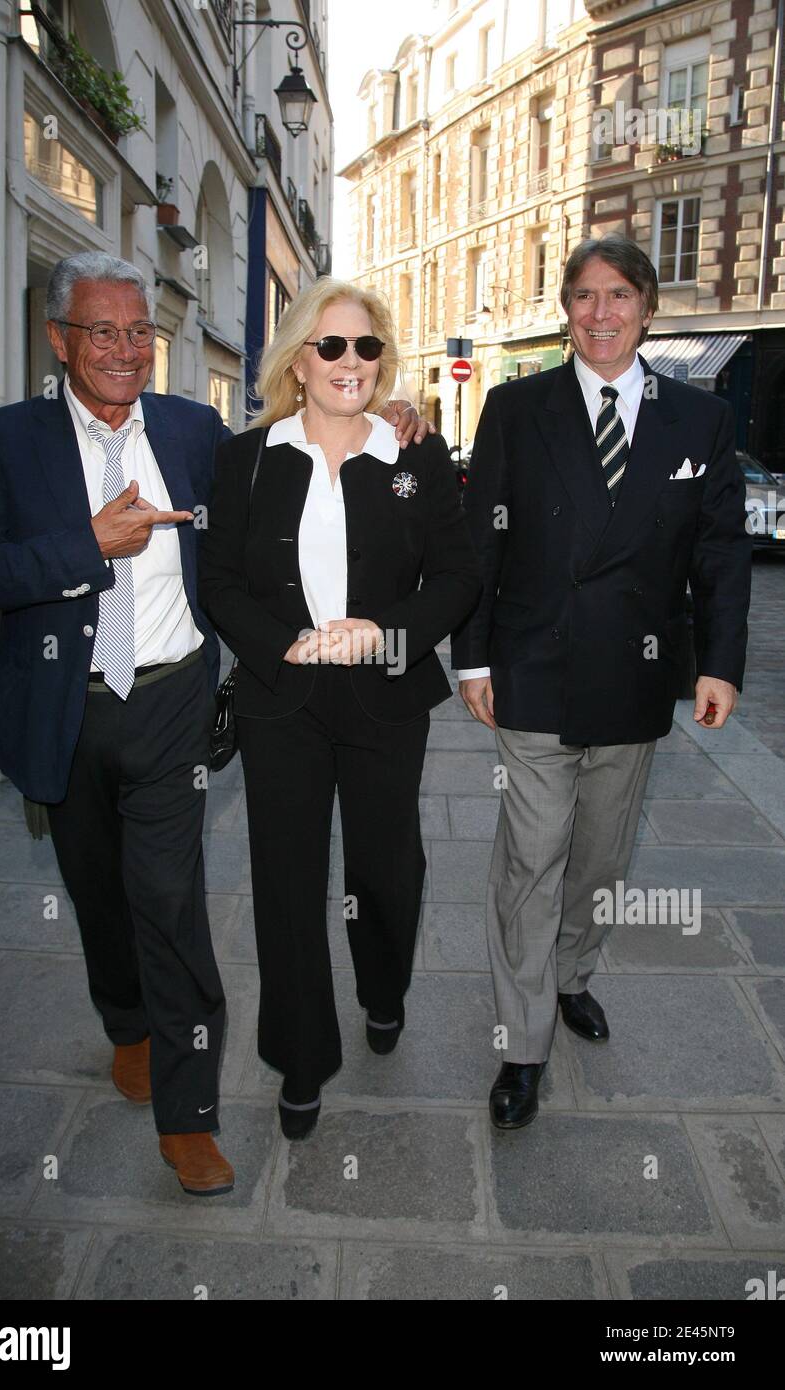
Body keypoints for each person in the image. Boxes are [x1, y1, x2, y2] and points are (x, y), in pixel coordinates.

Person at [0, 251, 436, 1193]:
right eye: (102, 331)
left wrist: (385, 416)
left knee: (169, 900)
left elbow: (298, 444)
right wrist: (83, 545)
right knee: (97, 893)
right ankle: (124, 1020)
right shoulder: (0, 444)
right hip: (64, 706)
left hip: (173, 699)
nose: (125, 351)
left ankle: (189, 1114)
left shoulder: (199, 431)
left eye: (139, 333)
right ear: (59, 339)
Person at [452, 234, 752, 1130]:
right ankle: (523, 1039)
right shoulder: (515, 407)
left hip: (637, 675)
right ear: (567, 311)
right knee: (531, 860)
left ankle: (571, 972)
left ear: (648, 309)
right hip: (535, 669)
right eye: (584, 297)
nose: (601, 314)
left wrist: (719, 666)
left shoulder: (698, 420)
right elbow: (481, 542)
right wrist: (471, 657)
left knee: (600, 861)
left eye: (619, 296)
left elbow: (720, 553)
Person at [198, 278, 481, 1138]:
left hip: (386, 694)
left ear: (382, 361)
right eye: (331, 347)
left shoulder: (414, 455)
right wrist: (278, 643)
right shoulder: (247, 458)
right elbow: (219, 581)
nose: (349, 363)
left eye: (366, 348)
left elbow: (459, 577)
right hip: (281, 698)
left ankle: (384, 989)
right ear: (298, 358)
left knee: (386, 872)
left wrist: (383, 633)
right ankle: (300, 1057)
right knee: (285, 881)